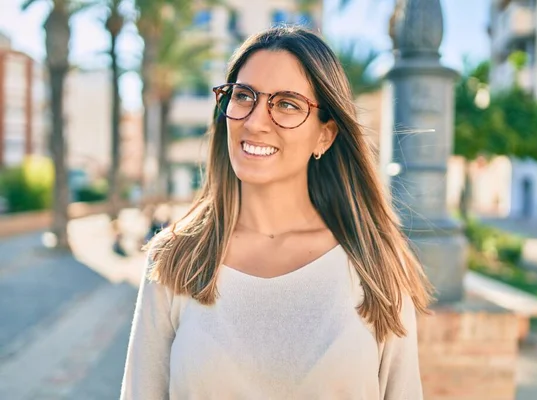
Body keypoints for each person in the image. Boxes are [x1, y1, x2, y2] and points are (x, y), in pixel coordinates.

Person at [120, 26, 433, 400]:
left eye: (286, 104)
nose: (254, 121)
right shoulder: (175, 257)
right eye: (243, 96)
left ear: (325, 135)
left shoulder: (374, 264)